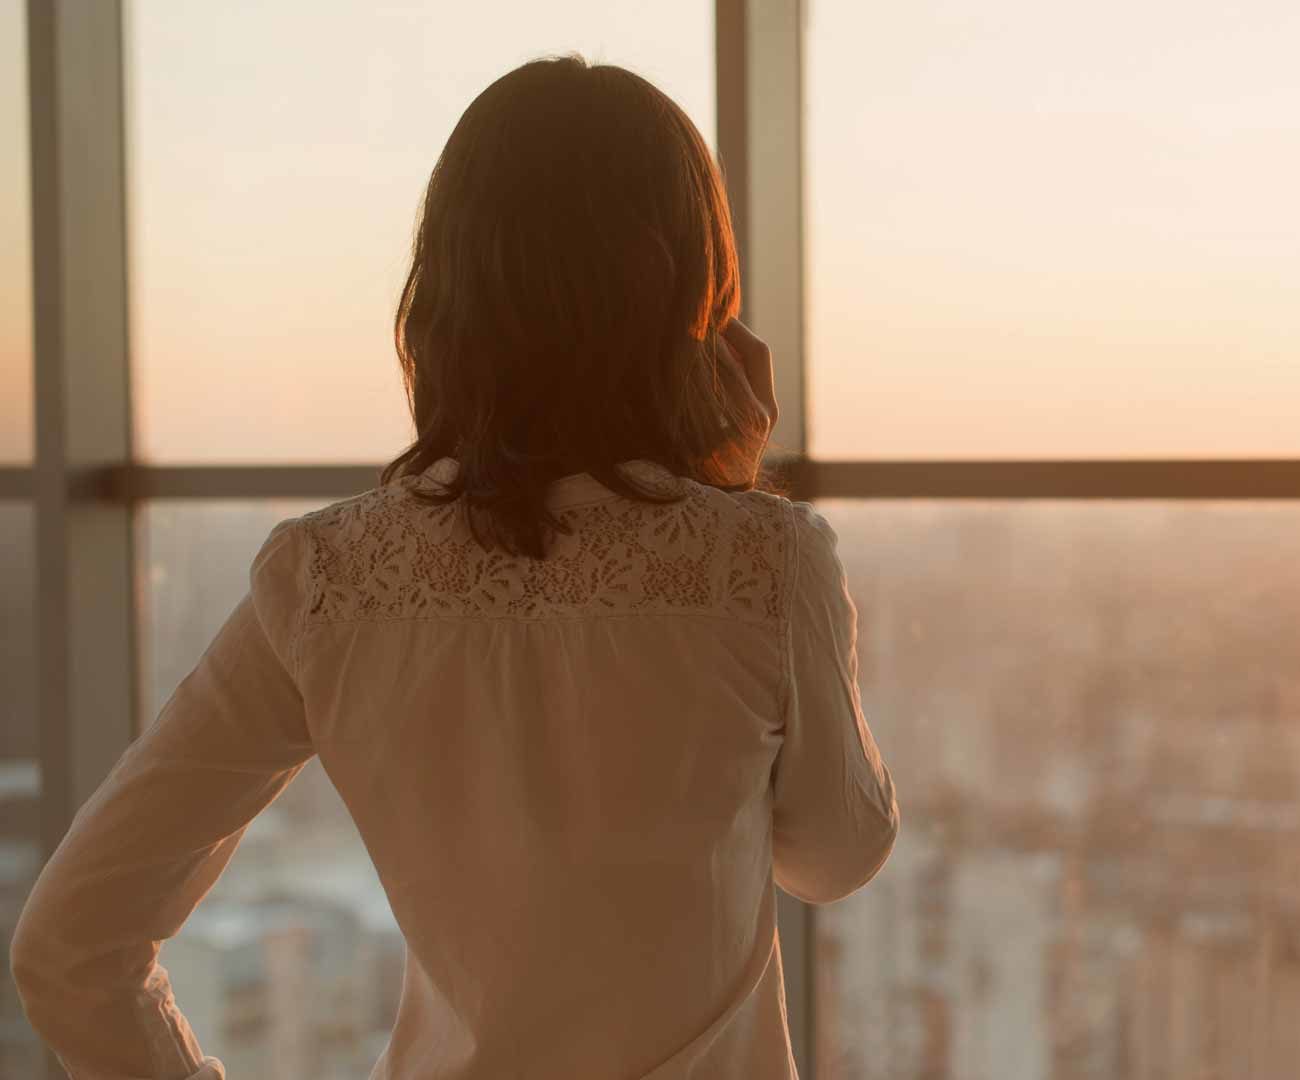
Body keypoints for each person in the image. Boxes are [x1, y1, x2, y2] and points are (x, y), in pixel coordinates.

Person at [10, 55, 897, 1080]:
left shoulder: (326, 577)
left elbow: (71, 947)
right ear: (686, 294)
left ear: (448, 294)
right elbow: (833, 856)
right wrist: (732, 489)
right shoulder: (763, 559)